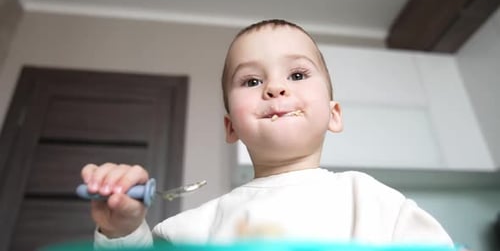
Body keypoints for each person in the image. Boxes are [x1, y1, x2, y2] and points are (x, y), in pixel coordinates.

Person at [81, 19, 454, 249]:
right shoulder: (194, 227)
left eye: (296, 75)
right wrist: (122, 230)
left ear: (333, 114)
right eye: (252, 80)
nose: (275, 89)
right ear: (231, 127)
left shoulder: (373, 200)